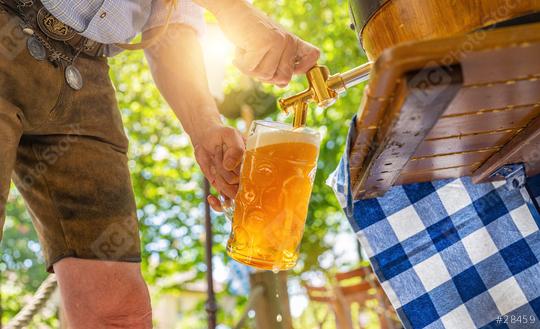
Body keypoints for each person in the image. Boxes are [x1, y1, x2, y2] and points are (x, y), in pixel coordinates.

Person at [0, 0, 319, 327]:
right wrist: (236, 12)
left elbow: (169, 26)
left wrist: (205, 126)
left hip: (87, 72)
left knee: (119, 314)